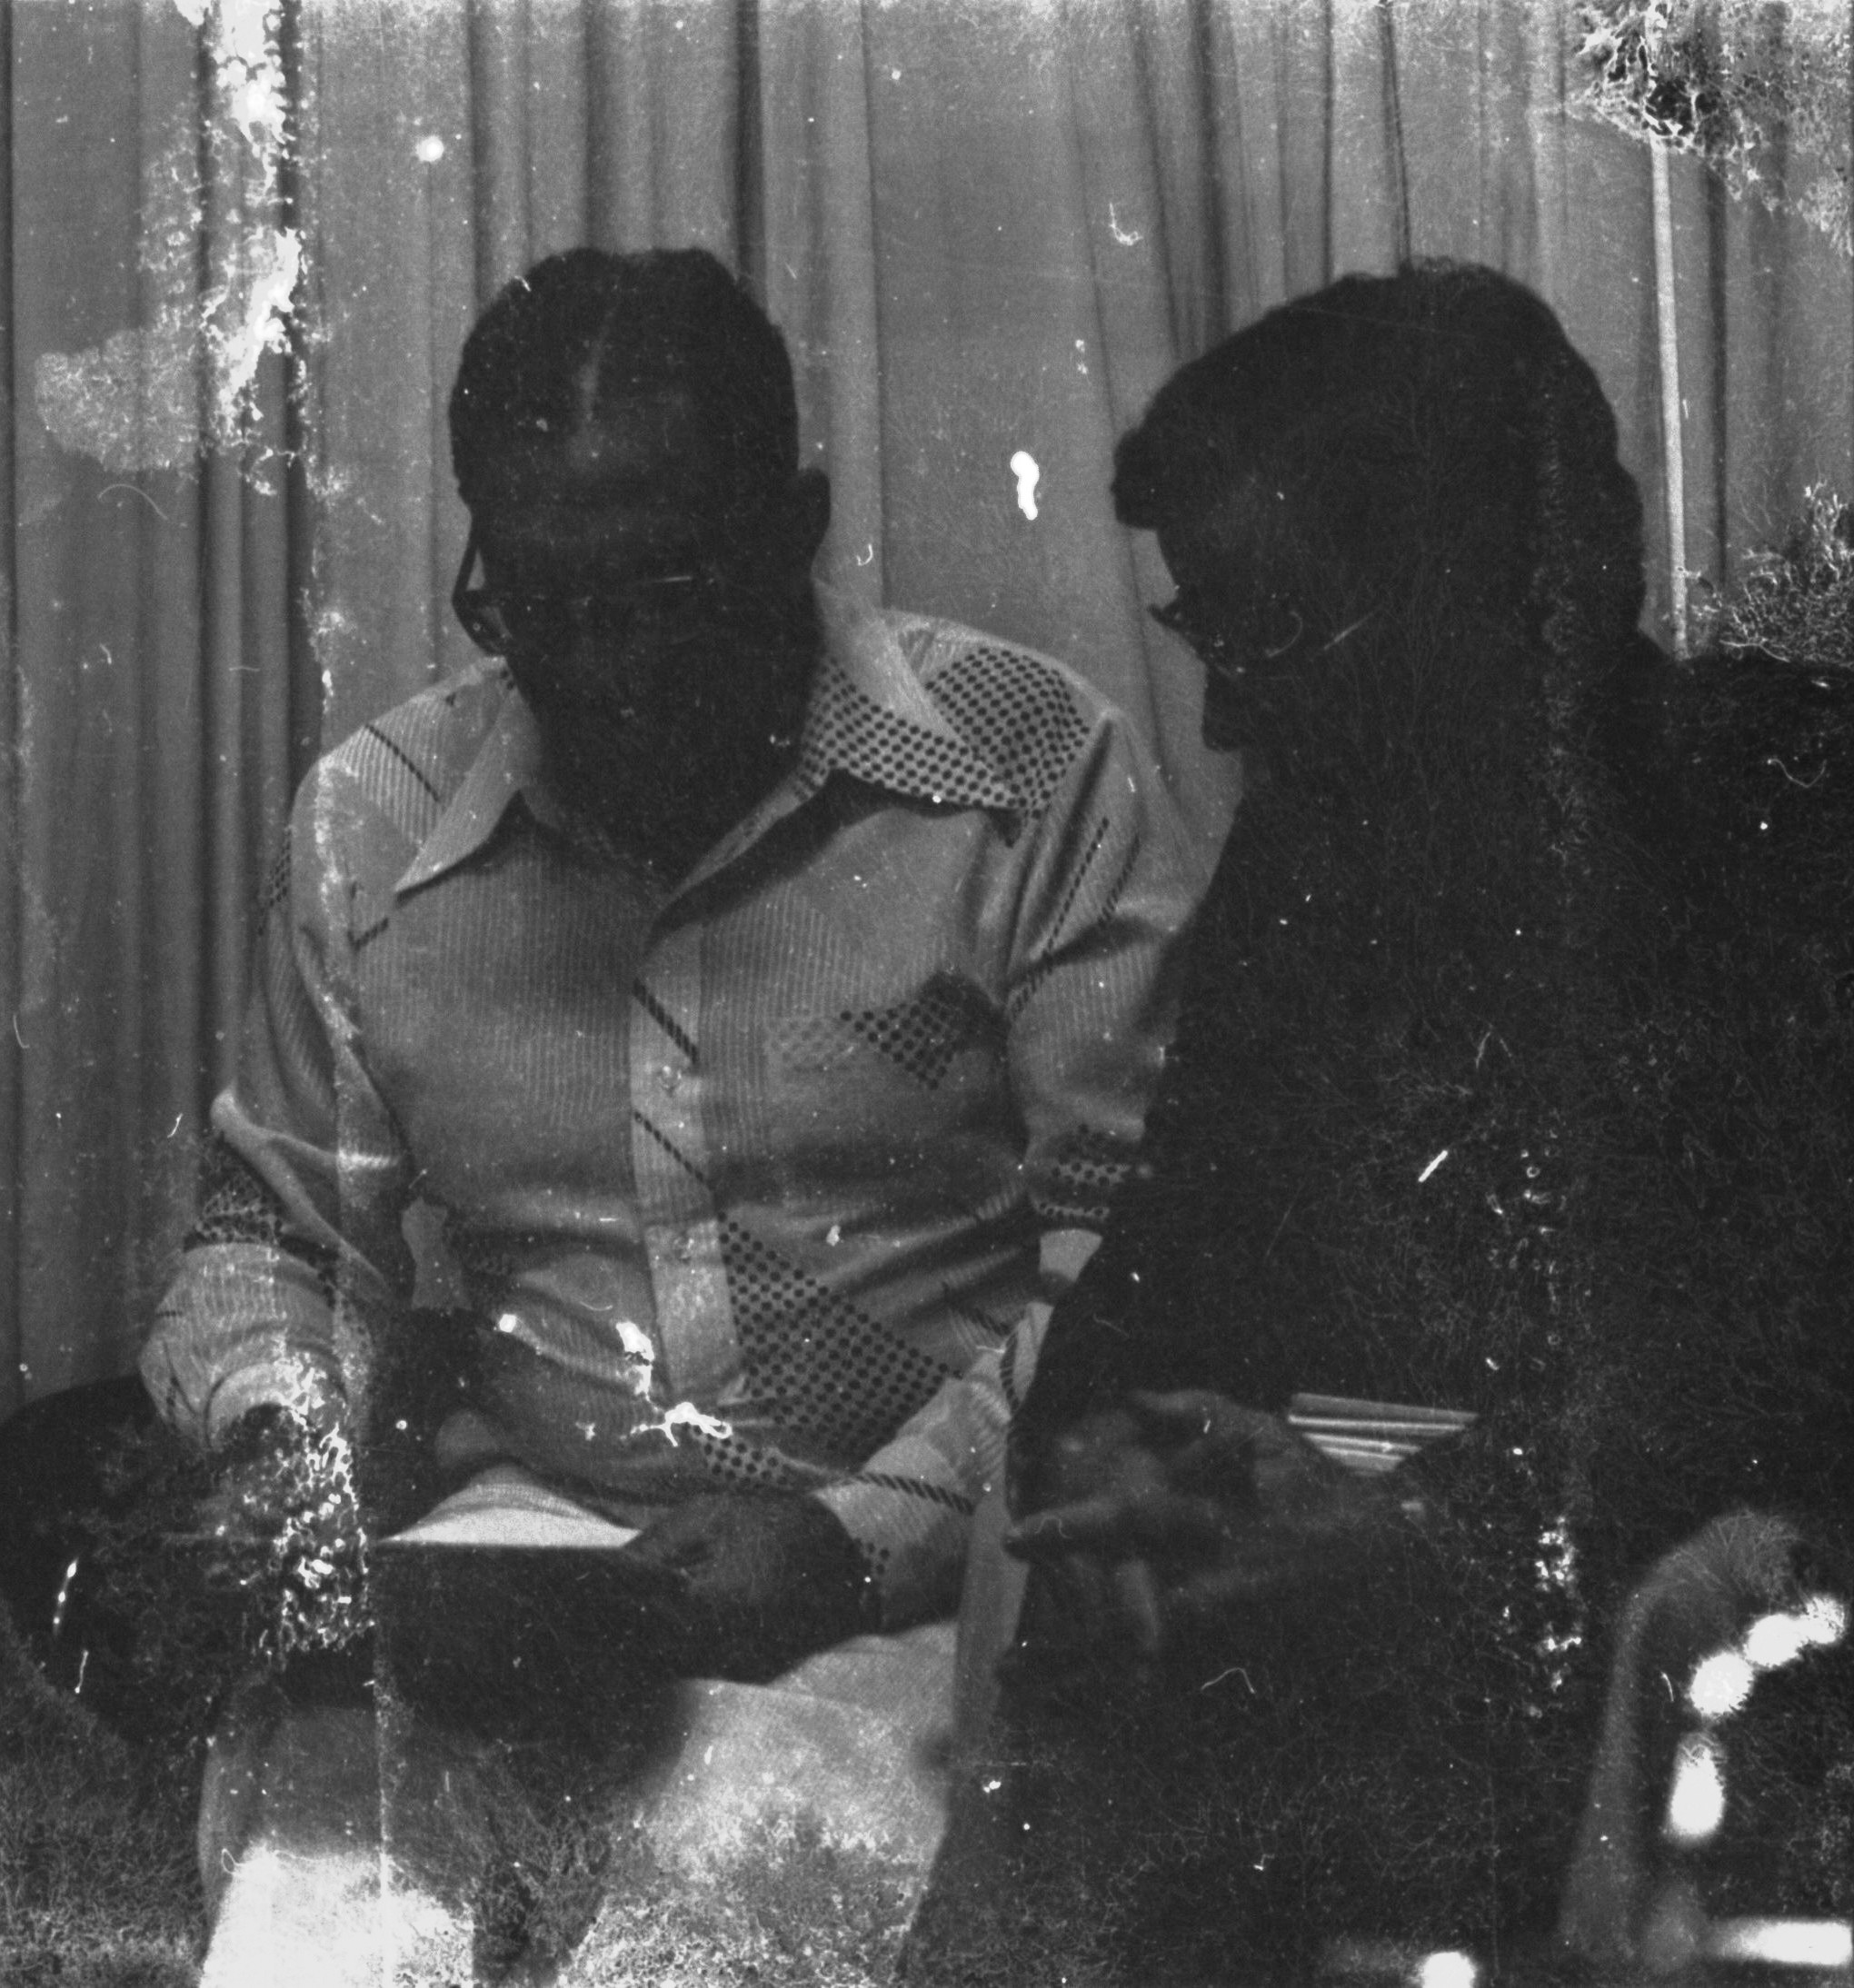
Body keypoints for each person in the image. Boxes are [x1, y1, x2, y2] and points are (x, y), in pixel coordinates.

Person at [133, 246, 1198, 1980]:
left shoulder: (1030, 767)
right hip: (528, 1559)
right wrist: (280, 1447)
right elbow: (272, 1239)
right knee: (313, 1935)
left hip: (913, 1598)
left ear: (800, 528)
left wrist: (855, 1545)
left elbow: (1134, 1266)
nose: (609, 669)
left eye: (668, 592)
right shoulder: (370, 823)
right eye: (544, 609)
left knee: (708, 1930)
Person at [904, 261, 1854, 1984]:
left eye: (1273, 636)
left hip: (1682, 1678)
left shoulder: (1794, 828)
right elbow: (1158, 1274)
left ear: (1526, 590)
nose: (1222, 714)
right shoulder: (1315, 862)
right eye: (1206, 635)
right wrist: (1115, 1451)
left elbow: (1785, 1389)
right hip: (1366, 1657)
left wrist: (1444, 1537)